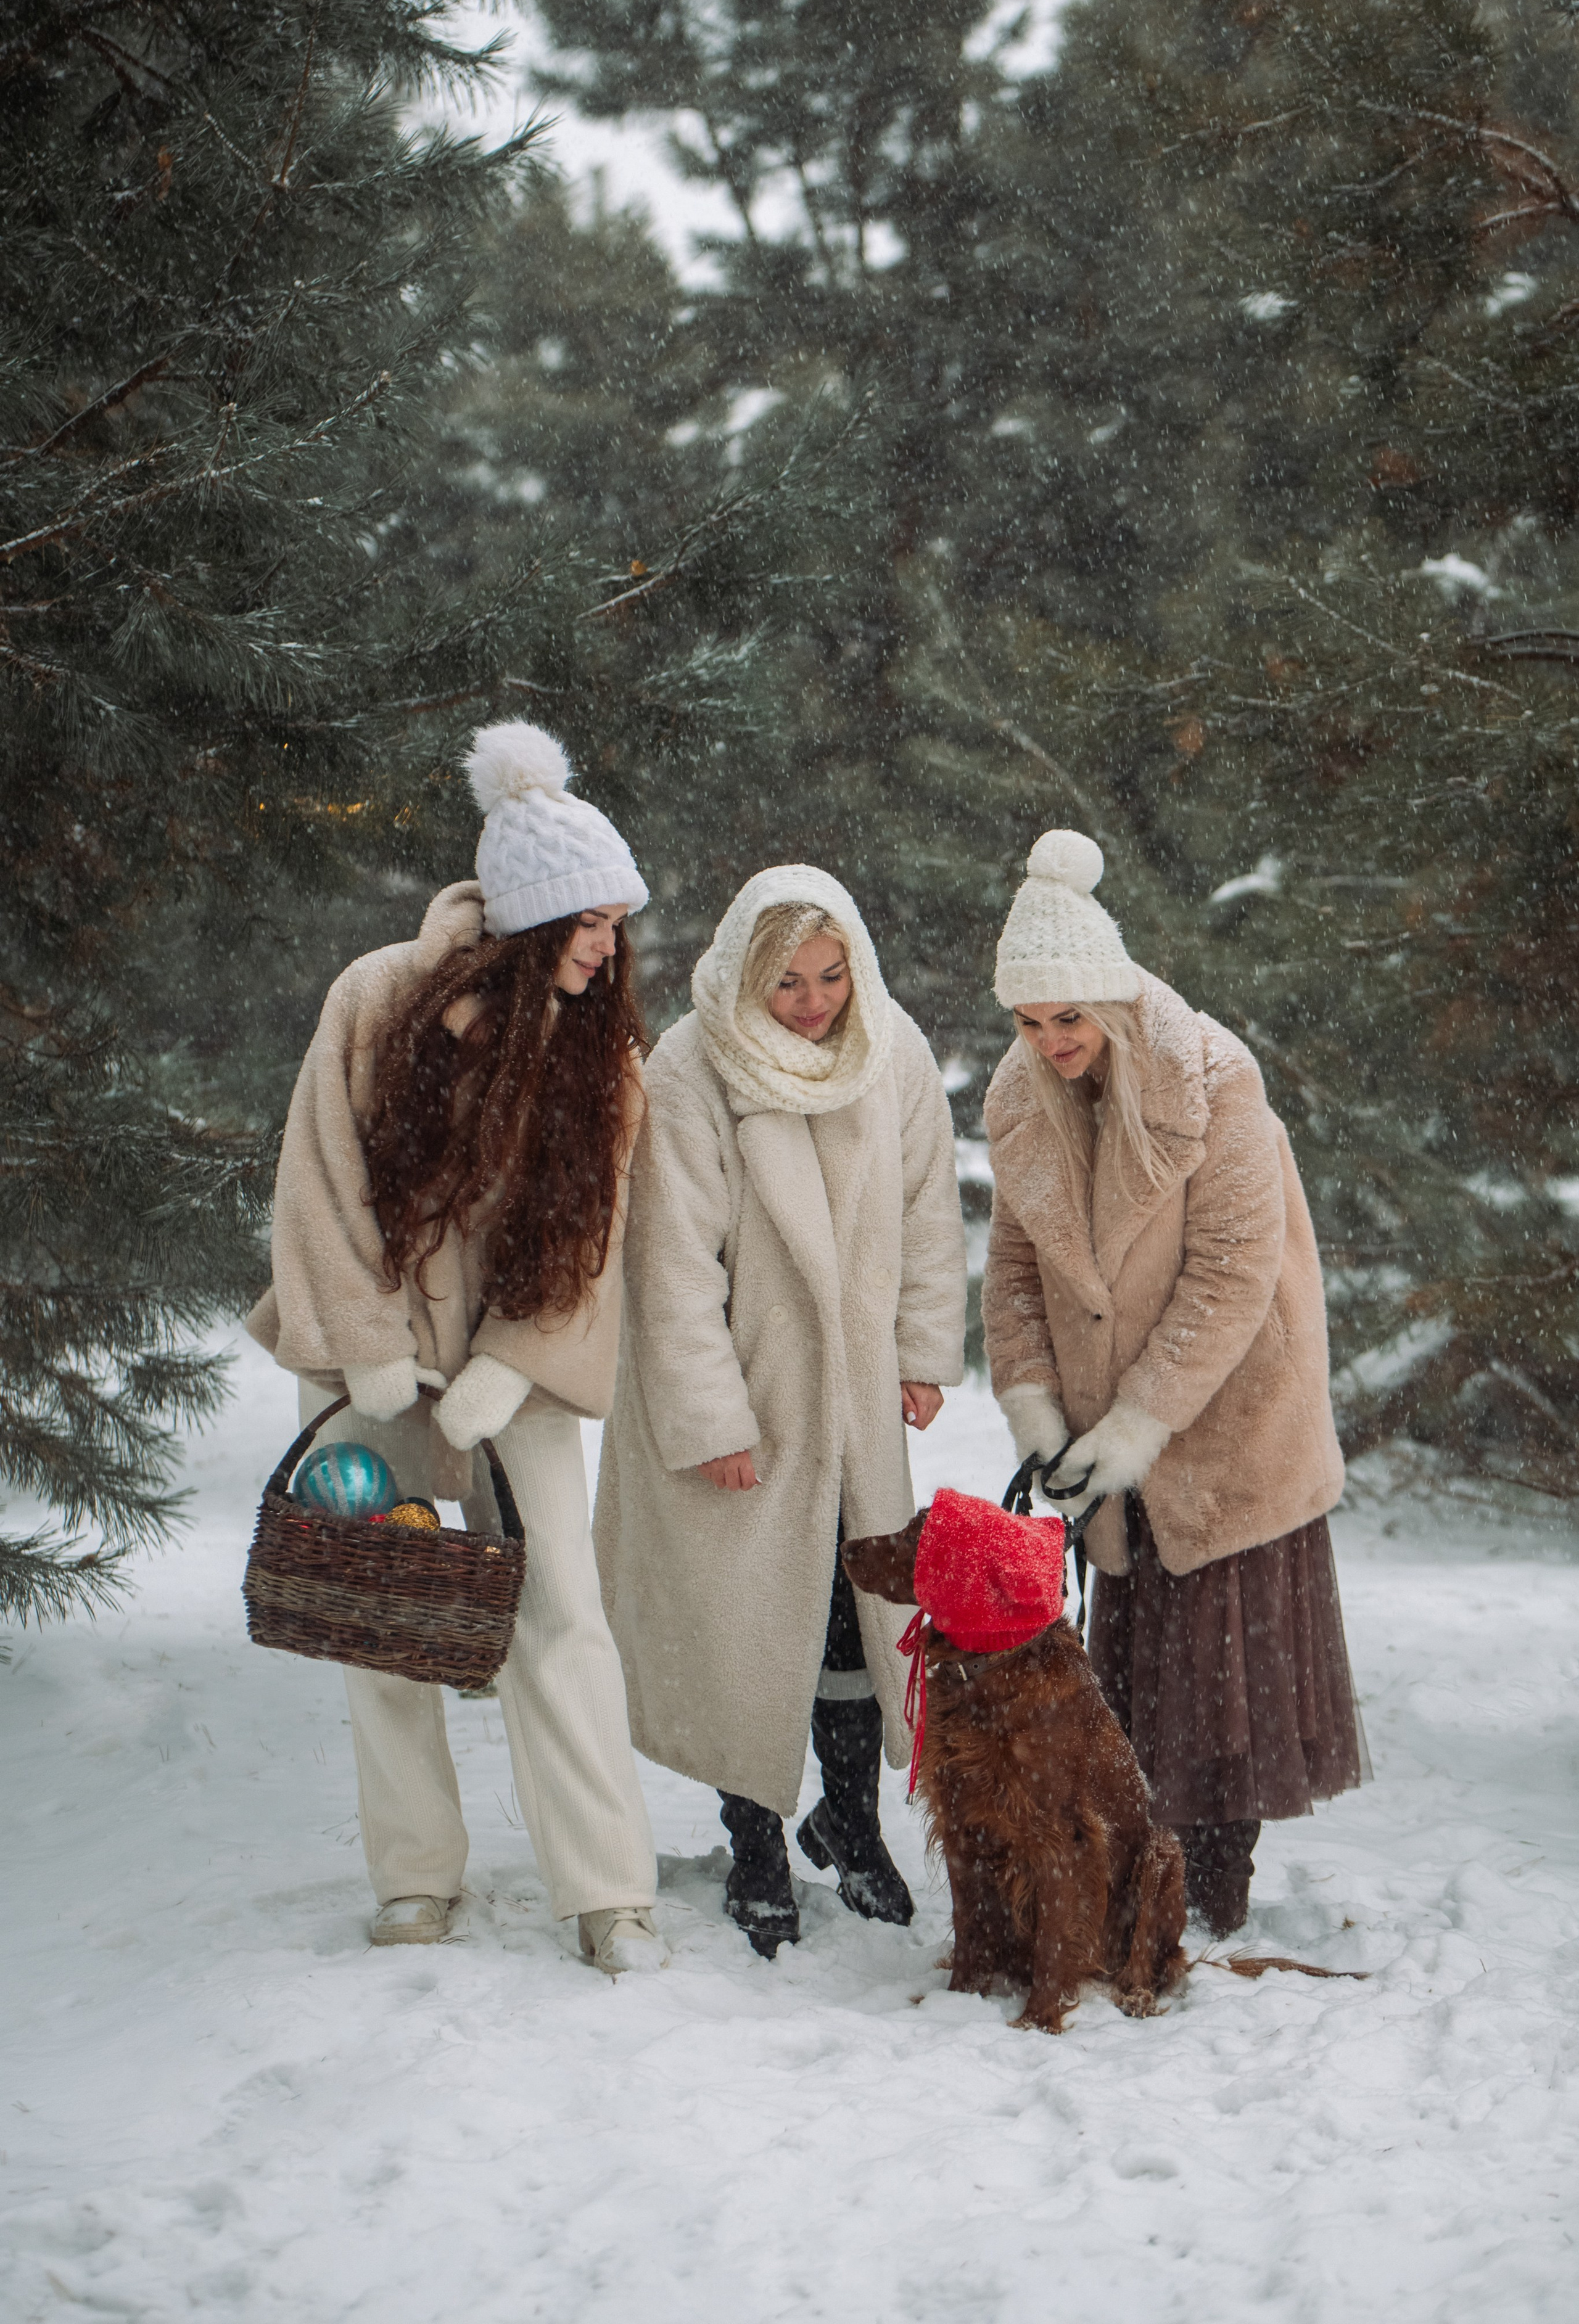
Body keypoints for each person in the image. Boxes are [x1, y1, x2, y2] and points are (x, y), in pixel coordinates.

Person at [246, 723, 664, 1971]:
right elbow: (317, 1181)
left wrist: (508, 1366)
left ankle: (606, 1892)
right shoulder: (377, 998)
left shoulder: (602, 1055)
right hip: (373, 1361)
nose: (607, 945)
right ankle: (415, 1876)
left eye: (616, 923)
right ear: (531, 918)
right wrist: (369, 1348)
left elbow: (592, 1236)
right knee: (377, 1607)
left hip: (513, 1375)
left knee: (561, 1613)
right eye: (589, 921)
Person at [981, 829, 1367, 1937]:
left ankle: (1210, 1895)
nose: (1050, 1040)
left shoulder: (1214, 1073)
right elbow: (1014, 1269)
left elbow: (1234, 1271)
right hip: (1110, 1424)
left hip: (1234, 1408)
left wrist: (1140, 1424)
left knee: (1221, 1677)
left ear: (1110, 994)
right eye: (1028, 1021)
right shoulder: (1022, 1097)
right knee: (1145, 1676)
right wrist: (1038, 1408)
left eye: (1068, 1016)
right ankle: (1149, 1875)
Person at [593, 866, 967, 1955]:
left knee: (855, 1612)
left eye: (831, 976)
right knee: (748, 1630)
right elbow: (672, 1265)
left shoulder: (889, 1051)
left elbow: (927, 1210)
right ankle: (754, 1839)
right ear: (747, 976)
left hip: (856, 1397)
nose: (813, 1003)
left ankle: (849, 1822)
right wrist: (713, 1417)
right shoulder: (692, 1065)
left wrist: (922, 1351)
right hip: (749, 1395)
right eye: (788, 982)